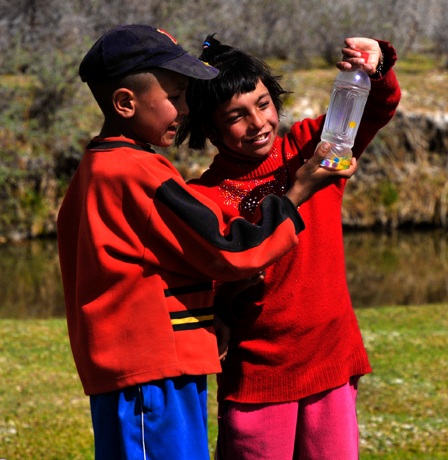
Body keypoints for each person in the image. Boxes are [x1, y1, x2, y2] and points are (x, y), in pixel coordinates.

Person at [56, 24, 358, 460]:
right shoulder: (136, 173)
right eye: (176, 96)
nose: (184, 109)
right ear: (126, 103)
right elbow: (229, 252)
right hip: (149, 377)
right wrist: (298, 191)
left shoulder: (103, 166)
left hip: (162, 370)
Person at [176, 34, 401, 459]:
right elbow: (214, 291)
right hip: (258, 379)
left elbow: (375, 108)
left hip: (331, 360)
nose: (258, 122)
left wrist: (375, 69)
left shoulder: (310, 149)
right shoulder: (204, 197)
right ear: (210, 129)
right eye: (236, 116)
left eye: (263, 104)